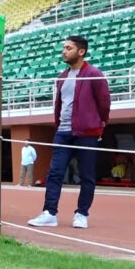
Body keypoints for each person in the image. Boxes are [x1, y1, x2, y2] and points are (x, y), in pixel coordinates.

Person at [28, 36, 110, 229]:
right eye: (64, 48)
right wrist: (58, 126)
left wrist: (100, 126)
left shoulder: (93, 74)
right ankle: (49, 213)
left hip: (87, 133)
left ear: (81, 51)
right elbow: (59, 106)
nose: (64, 51)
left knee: (87, 175)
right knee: (54, 173)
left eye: (68, 48)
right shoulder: (62, 77)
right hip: (63, 132)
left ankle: (82, 214)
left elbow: (104, 103)